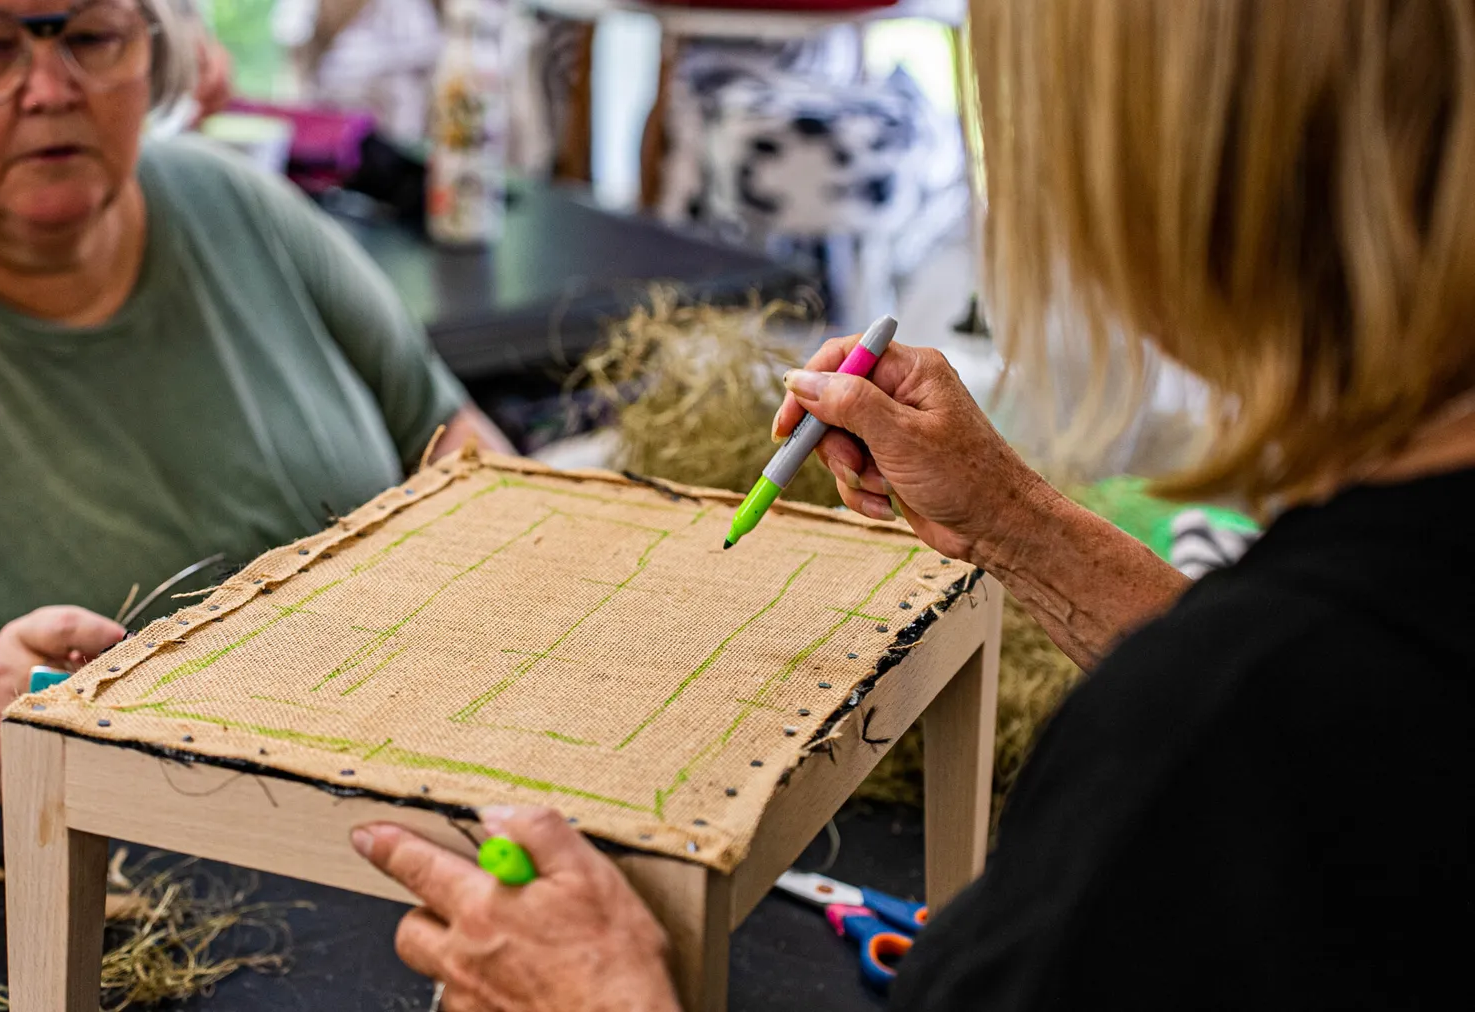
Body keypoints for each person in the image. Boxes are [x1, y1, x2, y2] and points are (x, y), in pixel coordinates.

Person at [349, 1, 1472, 1008]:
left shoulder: (1232, 728)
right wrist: (1003, 516)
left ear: (1188, 171)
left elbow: (1286, 721)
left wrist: (602, 995)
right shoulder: (1345, 640)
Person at [0, 0, 509, 848]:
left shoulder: (239, 208)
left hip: (426, 839)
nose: (51, 88)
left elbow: (454, 442)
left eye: (94, 37)